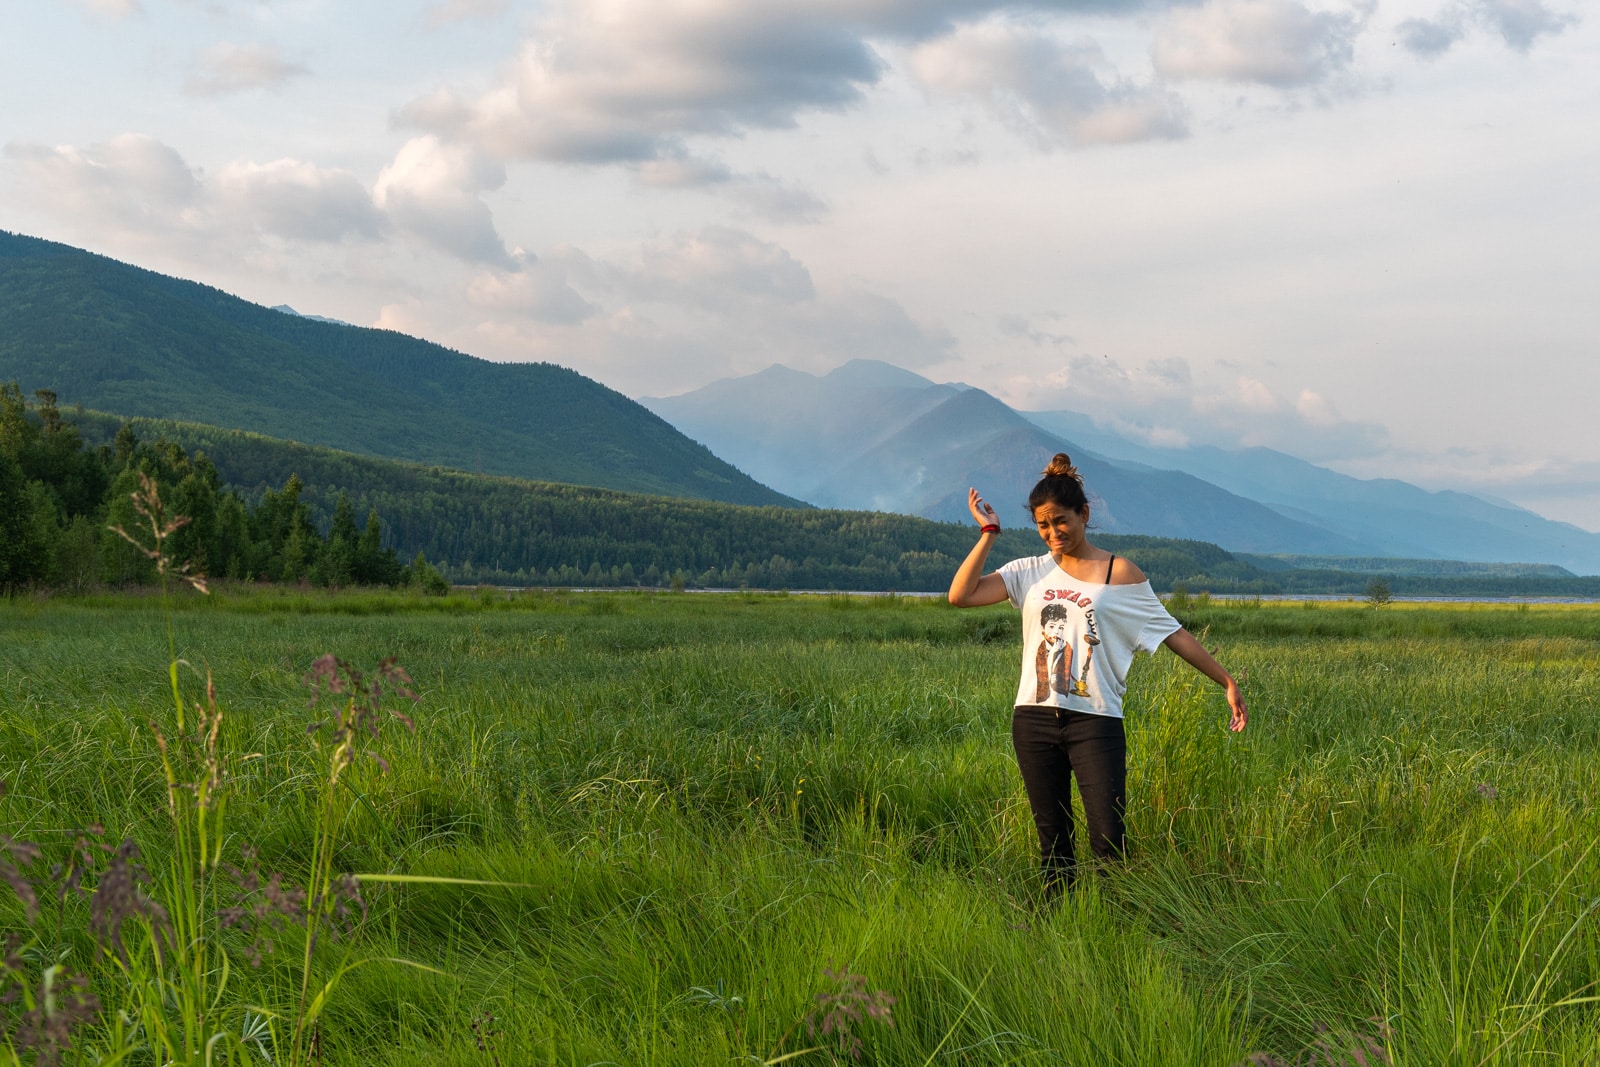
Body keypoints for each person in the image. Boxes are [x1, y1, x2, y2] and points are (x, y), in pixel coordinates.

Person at [948, 453, 1248, 894]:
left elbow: (1172, 633)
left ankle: (1116, 925)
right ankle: (1058, 928)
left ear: (1085, 514)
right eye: (1042, 526)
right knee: (1054, 844)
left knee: (1109, 838)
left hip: (1096, 720)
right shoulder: (1027, 571)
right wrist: (988, 533)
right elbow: (961, 595)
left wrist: (1226, 681)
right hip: (1032, 719)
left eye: (1061, 521)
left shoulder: (1119, 573)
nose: (1053, 534)